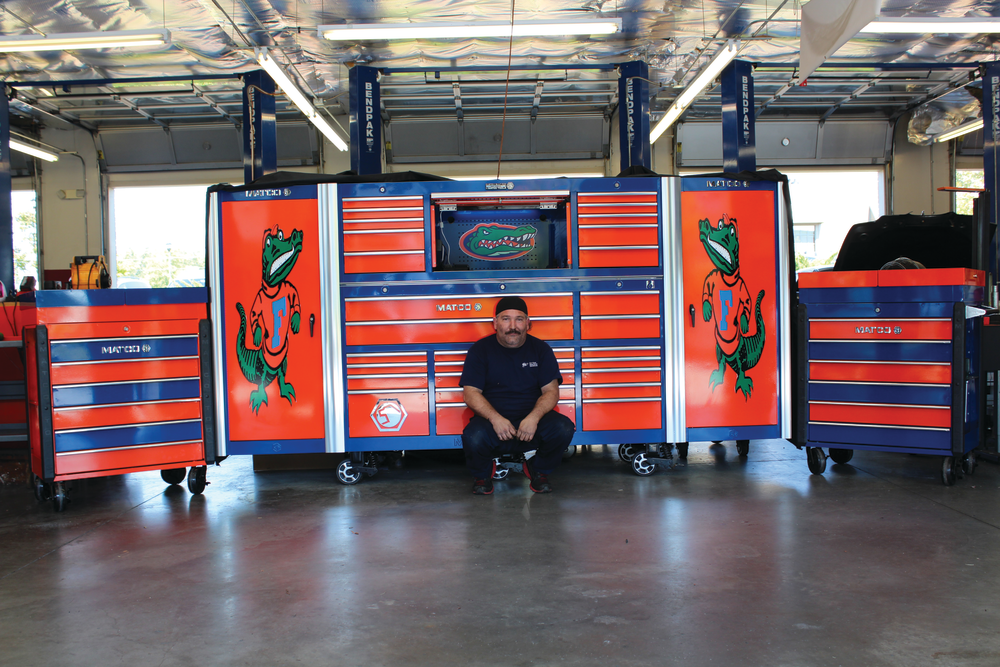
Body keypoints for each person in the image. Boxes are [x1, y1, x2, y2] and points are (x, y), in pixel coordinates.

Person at [459, 295, 576, 495]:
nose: (513, 326)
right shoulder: (480, 351)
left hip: (531, 423)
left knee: (563, 428)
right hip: (493, 422)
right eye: (506, 319)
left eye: (519, 319)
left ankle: (538, 469)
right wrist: (495, 419)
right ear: (495, 323)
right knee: (473, 436)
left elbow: (551, 391)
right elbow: (470, 393)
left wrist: (533, 418)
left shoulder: (541, 350)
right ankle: (483, 474)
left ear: (528, 323)